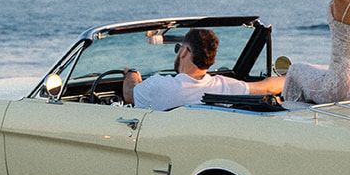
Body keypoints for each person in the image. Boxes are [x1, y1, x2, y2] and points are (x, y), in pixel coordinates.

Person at [122, 27, 284, 110]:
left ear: (184, 51)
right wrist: (290, 77)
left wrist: (132, 72)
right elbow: (268, 87)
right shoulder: (225, 86)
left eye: (179, 47)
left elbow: (129, 94)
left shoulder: (158, 86)